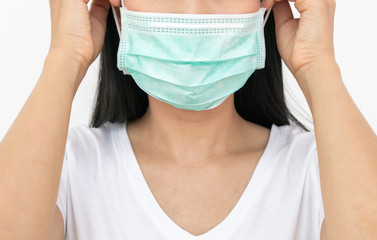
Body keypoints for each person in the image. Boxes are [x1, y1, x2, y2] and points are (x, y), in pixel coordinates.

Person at [0, 0, 376, 239]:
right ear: (117, 4)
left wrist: (319, 65)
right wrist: (65, 57)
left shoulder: (320, 172)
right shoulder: (67, 169)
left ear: (266, 4)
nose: (193, 12)